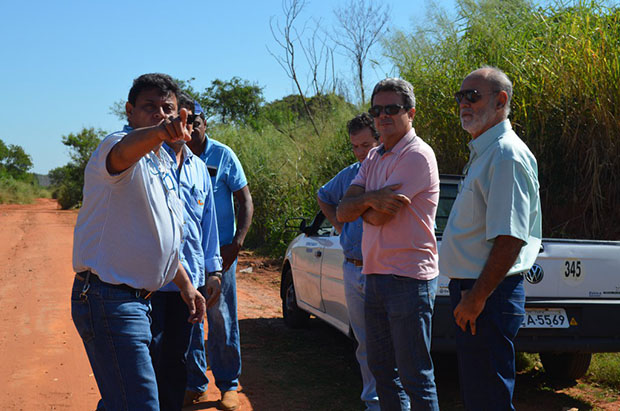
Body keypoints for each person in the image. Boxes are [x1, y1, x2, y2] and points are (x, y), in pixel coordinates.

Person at [71, 73, 208, 410]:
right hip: (109, 299)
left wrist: (186, 285)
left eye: (168, 109)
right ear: (130, 111)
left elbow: (157, 237)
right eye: (150, 108)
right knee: (141, 402)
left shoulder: (161, 162)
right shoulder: (117, 146)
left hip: (134, 302)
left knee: (124, 399)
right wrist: (161, 132)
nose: (161, 115)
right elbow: (122, 153)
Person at [439, 66, 542, 410]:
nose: (464, 103)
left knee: (489, 400)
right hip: (477, 293)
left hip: (486, 295)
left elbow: (511, 238)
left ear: (501, 101)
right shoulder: (486, 153)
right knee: (480, 395)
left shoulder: (505, 155)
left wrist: (476, 298)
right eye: (460, 96)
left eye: (473, 96)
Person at [337, 78, 440, 411]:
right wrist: (373, 200)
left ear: (410, 113)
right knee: (383, 372)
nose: (383, 116)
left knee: (415, 377)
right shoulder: (374, 156)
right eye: (377, 110)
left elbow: (377, 217)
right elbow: (342, 208)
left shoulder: (417, 156)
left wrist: (362, 204)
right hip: (376, 275)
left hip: (409, 281)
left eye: (392, 109)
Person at [149, 93, 223, 410]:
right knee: (146, 359)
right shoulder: (148, 163)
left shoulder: (198, 170)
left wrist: (214, 270)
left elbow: (209, 227)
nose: (184, 125)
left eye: (190, 119)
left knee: (178, 359)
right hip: (149, 283)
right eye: (178, 118)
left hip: (188, 285)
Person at [185, 102, 254, 411]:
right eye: (186, 122)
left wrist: (237, 243)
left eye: (196, 121)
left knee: (221, 319)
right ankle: (196, 386)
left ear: (205, 122)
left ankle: (228, 385)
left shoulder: (223, 155)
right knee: (190, 320)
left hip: (220, 255)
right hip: (186, 256)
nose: (192, 128)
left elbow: (245, 201)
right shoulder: (173, 155)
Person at [316, 113, 382, 411]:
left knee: (392, 343)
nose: (360, 152)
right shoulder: (351, 174)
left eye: (366, 144)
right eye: (355, 146)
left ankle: (397, 401)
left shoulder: (390, 172)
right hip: (353, 266)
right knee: (365, 343)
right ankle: (373, 402)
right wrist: (341, 227)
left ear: (379, 139)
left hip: (384, 269)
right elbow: (324, 196)